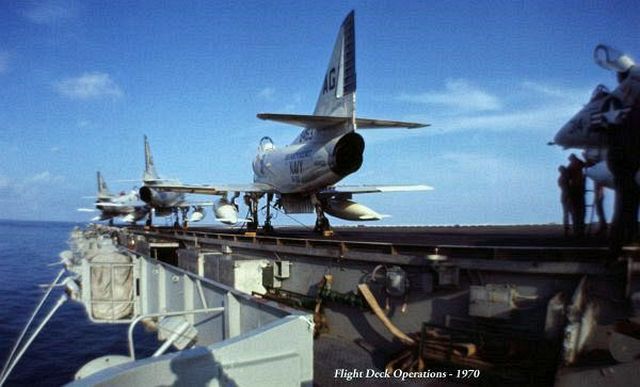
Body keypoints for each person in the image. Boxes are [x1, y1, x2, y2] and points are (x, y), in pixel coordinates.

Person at [593, 45, 640, 256]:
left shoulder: (620, 103)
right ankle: (616, 250)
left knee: (627, 204)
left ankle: (623, 244)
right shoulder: (625, 102)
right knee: (625, 205)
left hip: (621, 158)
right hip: (625, 159)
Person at [566, 154, 586, 236]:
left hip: (575, 189)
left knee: (575, 210)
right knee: (579, 210)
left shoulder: (571, 166)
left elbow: (568, 177)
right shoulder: (578, 165)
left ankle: (577, 229)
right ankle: (579, 229)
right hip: (579, 189)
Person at [558, 166, 571, 236]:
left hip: (564, 196)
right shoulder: (565, 178)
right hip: (567, 196)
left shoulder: (560, 178)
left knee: (566, 213)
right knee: (569, 213)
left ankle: (566, 228)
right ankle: (567, 229)